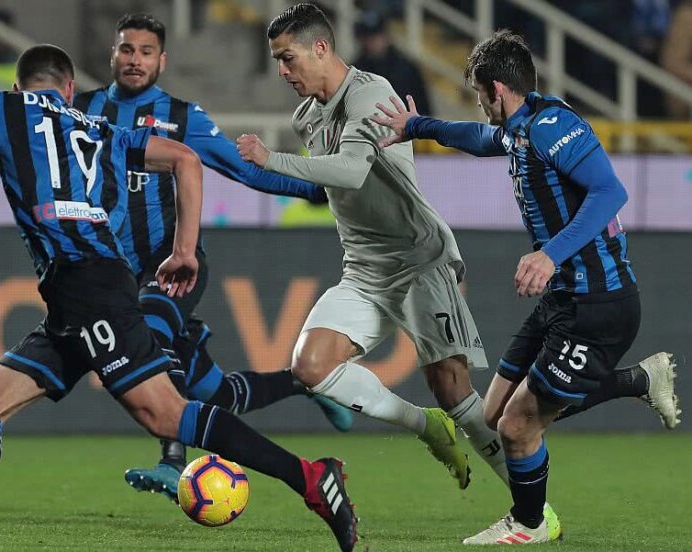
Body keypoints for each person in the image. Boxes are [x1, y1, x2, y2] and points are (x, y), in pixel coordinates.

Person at [0, 44, 357, 552]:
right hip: (81, 292)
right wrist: (184, 250)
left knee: (166, 415)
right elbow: (187, 159)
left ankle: (312, 478)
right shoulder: (100, 129)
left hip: (87, 286)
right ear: (71, 90)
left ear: (18, 87)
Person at [371, 30, 679, 544]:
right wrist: (417, 127)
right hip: (563, 299)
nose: (479, 105)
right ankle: (637, 382)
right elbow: (477, 138)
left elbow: (611, 191)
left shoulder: (553, 125)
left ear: (497, 89)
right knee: (495, 414)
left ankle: (530, 523)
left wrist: (549, 252)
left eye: (478, 95)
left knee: (518, 426)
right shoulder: (520, 128)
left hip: (598, 300)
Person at [72, 13, 353, 502]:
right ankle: (306, 385)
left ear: (162, 60)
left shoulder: (182, 118)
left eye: (144, 52)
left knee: (149, 335)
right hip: (116, 271)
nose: (134, 60)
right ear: (112, 55)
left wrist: (316, 188)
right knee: (215, 393)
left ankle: (172, 462)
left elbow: (243, 169)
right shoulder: (80, 112)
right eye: (126, 50)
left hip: (173, 263)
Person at [236, 2, 513, 498]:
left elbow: (351, 170)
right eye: (277, 60)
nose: (282, 71)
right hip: (364, 267)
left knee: (452, 389)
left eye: (288, 58)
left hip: (418, 258)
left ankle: (533, 509)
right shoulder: (308, 118)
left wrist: (270, 158)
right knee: (310, 365)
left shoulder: (372, 93)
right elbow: (328, 190)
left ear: (321, 47)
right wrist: (242, 169)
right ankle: (425, 427)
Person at [351, 10, 430, 115]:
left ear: (387, 36)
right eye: (368, 37)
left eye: (377, 36)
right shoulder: (353, 72)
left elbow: (424, 111)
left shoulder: (408, 69)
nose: (373, 42)